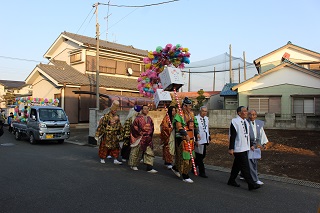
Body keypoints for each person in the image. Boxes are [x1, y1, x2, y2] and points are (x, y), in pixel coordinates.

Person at [227, 106, 260, 191]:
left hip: (245, 147)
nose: (246, 113)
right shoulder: (235, 121)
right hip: (238, 148)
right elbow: (232, 136)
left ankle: (231, 180)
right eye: (244, 111)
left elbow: (247, 135)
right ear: (239, 113)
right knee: (245, 166)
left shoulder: (246, 122)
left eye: (246, 111)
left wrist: (250, 145)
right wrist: (231, 148)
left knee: (237, 166)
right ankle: (251, 184)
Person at [171, 97, 199, 183]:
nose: (190, 107)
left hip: (191, 138)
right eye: (189, 106)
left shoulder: (192, 114)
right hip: (182, 139)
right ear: (184, 106)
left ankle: (176, 167)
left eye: (191, 105)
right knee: (185, 157)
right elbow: (179, 127)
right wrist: (185, 134)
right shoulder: (179, 115)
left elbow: (195, 125)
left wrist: (197, 134)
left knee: (191, 157)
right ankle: (185, 175)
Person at [128, 105, 157, 173]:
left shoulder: (149, 118)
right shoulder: (137, 118)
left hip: (148, 137)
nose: (146, 110)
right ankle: (133, 164)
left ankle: (149, 167)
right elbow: (134, 128)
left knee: (149, 152)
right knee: (136, 151)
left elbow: (152, 127)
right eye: (145, 109)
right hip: (139, 137)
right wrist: (141, 133)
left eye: (147, 109)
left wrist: (149, 133)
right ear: (141, 110)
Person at [95, 100, 123, 165]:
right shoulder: (106, 116)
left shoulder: (117, 117)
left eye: (116, 110)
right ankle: (102, 158)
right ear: (111, 110)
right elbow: (101, 125)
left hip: (114, 135)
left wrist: (121, 132)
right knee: (104, 147)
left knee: (115, 147)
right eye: (114, 110)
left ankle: (115, 159)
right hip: (107, 134)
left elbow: (119, 125)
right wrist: (99, 133)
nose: (115, 111)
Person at [245, 109, 269, 185]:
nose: (252, 116)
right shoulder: (245, 123)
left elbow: (262, 134)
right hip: (247, 145)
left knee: (251, 161)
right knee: (251, 162)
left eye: (254, 114)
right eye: (250, 114)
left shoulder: (258, 123)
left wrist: (264, 144)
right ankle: (254, 179)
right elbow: (243, 136)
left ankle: (243, 174)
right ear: (248, 115)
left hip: (255, 145)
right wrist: (250, 145)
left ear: (256, 115)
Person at [194, 106, 211, 178]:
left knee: (202, 155)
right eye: (203, 111)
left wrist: (209, 136)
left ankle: (193, 166)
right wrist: (195, 140)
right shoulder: (196, 118)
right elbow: (195, 129)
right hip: (199, 139)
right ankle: (202, 172)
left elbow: (207, 128)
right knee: (200, 156)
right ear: (200, 111)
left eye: (206, 111)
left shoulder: (206, 119)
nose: (204, 113)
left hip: (205, 139)